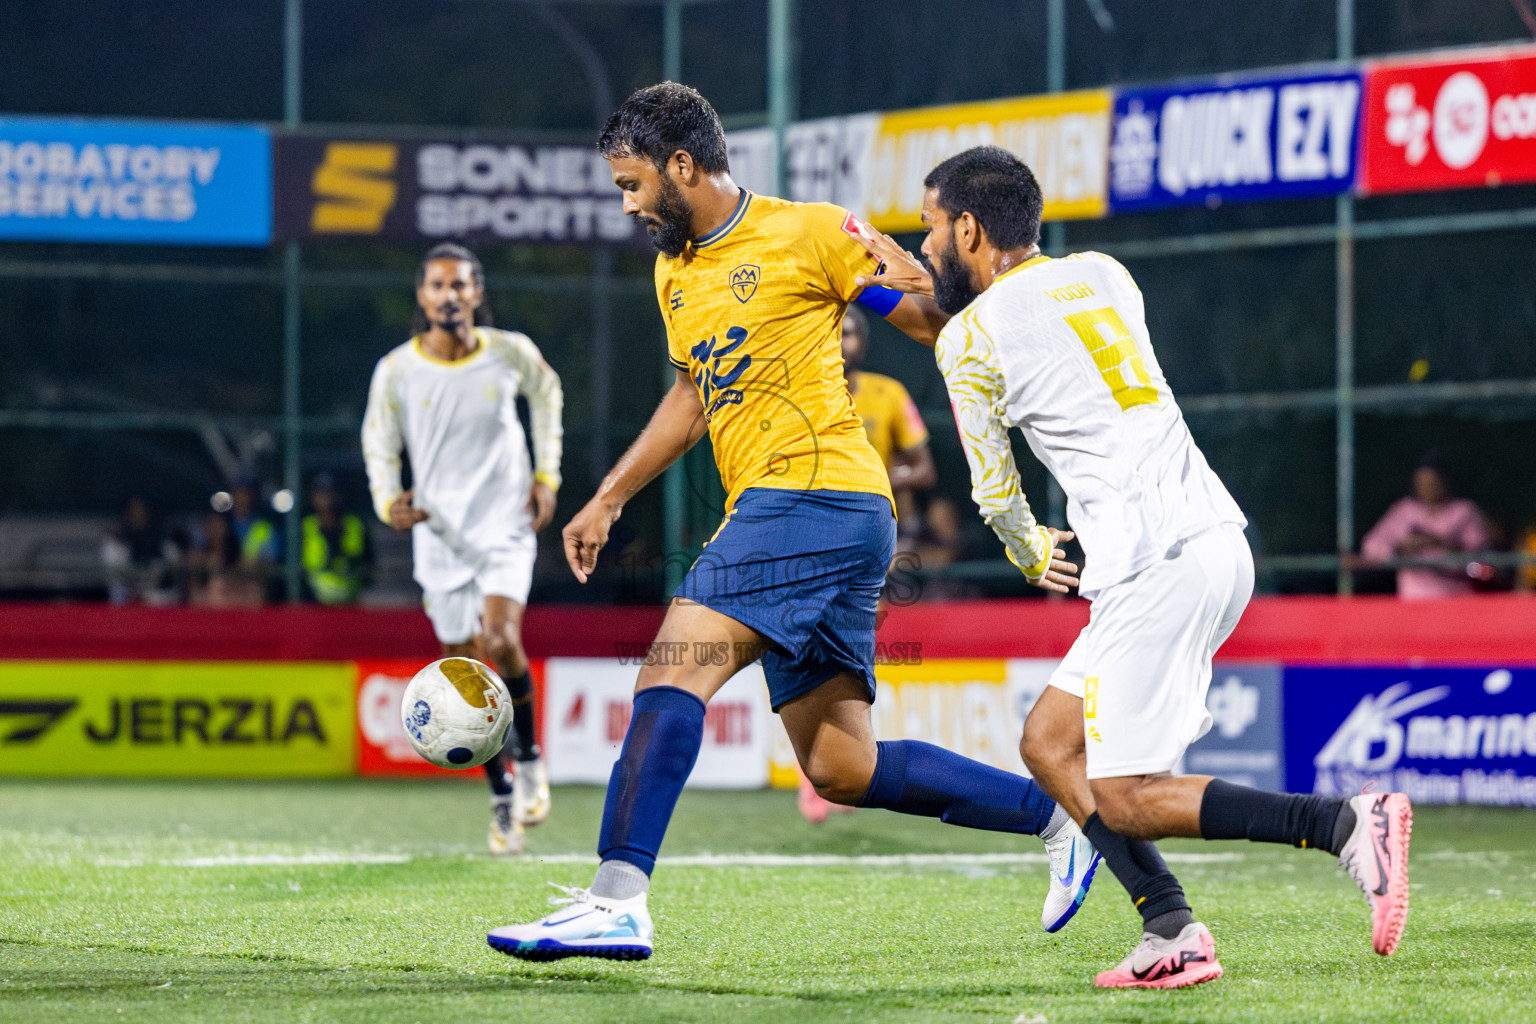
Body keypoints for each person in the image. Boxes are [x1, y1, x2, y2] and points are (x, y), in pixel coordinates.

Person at [487, 83, 1100, 963]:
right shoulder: (674, 270)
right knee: (841, 767)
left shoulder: (811, 232)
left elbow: (933, 322)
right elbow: (696, 393)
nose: (627, 204)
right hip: (826, 515)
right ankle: (1060, 818)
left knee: (673, 667)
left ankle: (617, 897)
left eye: (632, 184)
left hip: (809, 497)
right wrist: (610, 494)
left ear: (683, 166)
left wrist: (915, 272)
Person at [852, 146, 1412, 989]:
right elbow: (1026, 322)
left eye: (932, 229)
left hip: (1154, 564)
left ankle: (1341, 822)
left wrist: (1031, 549)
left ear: (967, 227)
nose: (924, 246)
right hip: (1216, 540)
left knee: (1126, 794)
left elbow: (994, 489)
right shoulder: (1108, 275)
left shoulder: (970, 337)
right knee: (1048, 743)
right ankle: (1172, 928)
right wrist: (933, 287)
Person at [362, 242, 564, 857]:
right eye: (438, 286)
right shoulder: (397, 369)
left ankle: (529, 758)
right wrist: (385, 499)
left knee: (500, 642)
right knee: (464, 677)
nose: (450, 295)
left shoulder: (510, 353)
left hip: (504, 526)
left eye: (461, 285)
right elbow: (379, 443)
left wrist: (547, 476)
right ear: (422, 297)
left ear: (477, 294)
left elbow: (549, 398)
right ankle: (502, 796)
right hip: (440, 538)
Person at [793, 305, 940, 824]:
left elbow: (923, 468)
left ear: (864, 342)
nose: (842, 341)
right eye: (835, 332)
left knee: (852, 646)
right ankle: (814, 770)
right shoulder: (801, 388)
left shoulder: (888, 394)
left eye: (851, 332)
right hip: (808, 530)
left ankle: (846, 754)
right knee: (798, 643)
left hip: (867, 534)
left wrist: (875, 474)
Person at [1359, 457, 1488, 599]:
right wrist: (1400, 550)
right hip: (1413, 600)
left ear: (1444, 481)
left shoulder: (1464, 511)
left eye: (1433, 483)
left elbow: (1480, 563)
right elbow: (1371, 546)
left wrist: (1437, 543)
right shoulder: (1404, 510)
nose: (1427, 488)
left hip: (1455, 599)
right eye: (1422, 483)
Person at [300, 472, 375, 606]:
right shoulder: (305, 526)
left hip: (350, 601)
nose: (326, 499)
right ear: (313, 497)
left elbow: (370, 563)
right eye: (321, 493)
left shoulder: (355, 524)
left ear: (339, 495)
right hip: (313, 602)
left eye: (330, 493)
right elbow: (295, 570)